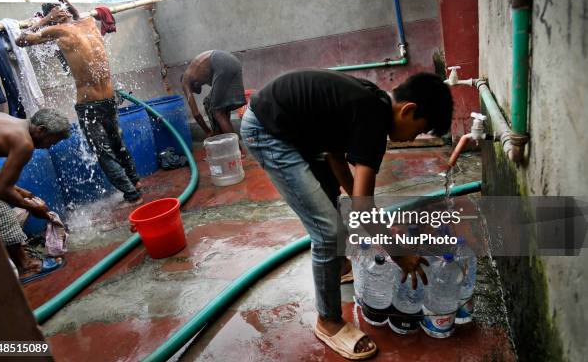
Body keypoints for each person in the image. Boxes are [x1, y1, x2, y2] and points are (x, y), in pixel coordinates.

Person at [240, 69, 453, 359]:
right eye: (417, 131)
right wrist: (399, 253)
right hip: (268, 130)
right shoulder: (373, 120)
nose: (410, 138)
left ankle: (337, 268)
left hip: (294, 128)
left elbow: (335, 156)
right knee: (327, 233)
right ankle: (328, 321)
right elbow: (364, 208)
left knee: (332, 198)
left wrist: (357, 200)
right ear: (409, 110)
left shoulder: (372, 100)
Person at [15, 0, 143, 206]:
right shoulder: (87, 23)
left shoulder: (58, 30)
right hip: (109, 98)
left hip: (89, 103)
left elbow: (21, 40)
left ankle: (132, 194)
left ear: (54, 17)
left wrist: (43, 21)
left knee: (103, 152)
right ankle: (135, 181)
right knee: (118, 143)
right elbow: (74, 12)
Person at [0, 109, 70, 280]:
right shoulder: (24, 142)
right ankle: (25, 266)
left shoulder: (12, 124)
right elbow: (3, 192)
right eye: (52, 141)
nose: (50, 146)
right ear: (41, 130)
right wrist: (34, 209)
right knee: (1, 211)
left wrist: (19, 192)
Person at [181, 50, 247, 151]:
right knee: (219, 107)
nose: (199, 89)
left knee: (217, 111)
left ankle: (237, 149)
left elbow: (196, 114)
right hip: (233, 62)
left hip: (222, 62)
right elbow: (219, 99)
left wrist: (207, 131)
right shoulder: (200, 71)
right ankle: (225, 143)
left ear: (192, 84)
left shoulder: (186, 80)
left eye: (196, 88)